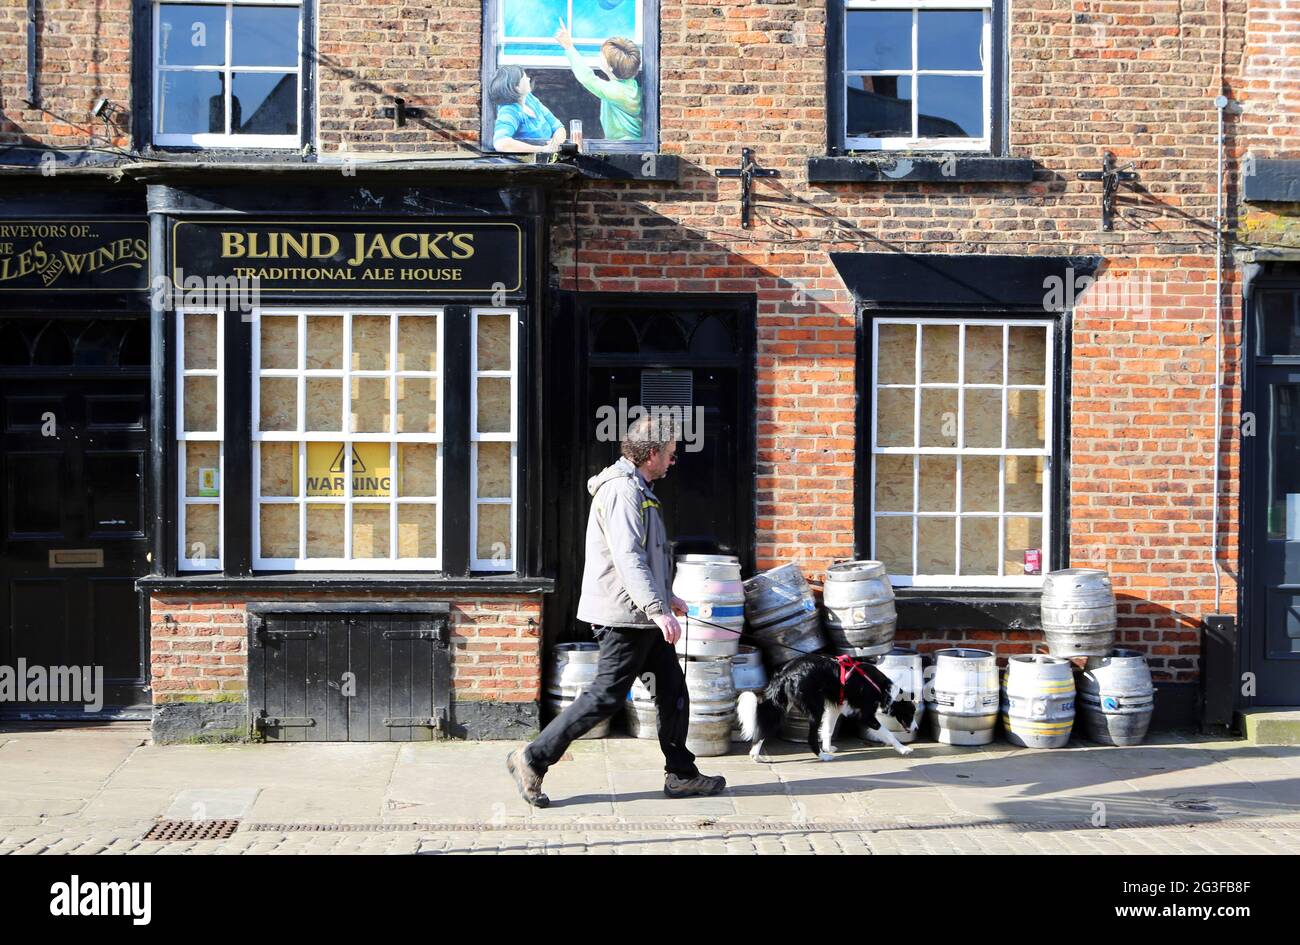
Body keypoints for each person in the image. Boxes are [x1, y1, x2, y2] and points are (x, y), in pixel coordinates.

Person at [507, 413, 727, 806]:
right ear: (652, 453)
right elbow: (628, 558)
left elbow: (646, 556)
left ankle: (681, 774)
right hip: (625, 618)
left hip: (642, 615)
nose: (674, 461)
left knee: (673, 691)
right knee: (605, 697)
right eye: (671, 454)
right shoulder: (623, 492)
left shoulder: (640, 488)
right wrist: (657, 608)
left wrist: (666, 597)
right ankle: (532, 757)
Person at [554, 21, 643, 141]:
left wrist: (569, 47)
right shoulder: (632, 86)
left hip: (623, 148)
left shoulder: (616, 91)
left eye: (603, 54)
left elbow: (587, 78)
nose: (599, 55)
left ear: (610, 67)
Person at [488, 64, 566, 154]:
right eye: (525, 78)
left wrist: (555, 144)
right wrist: (542, 149)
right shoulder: (509, 111)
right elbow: (501, 143)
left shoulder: (529, 99)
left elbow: (558, 127)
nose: (528, 79)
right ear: (516, 87)